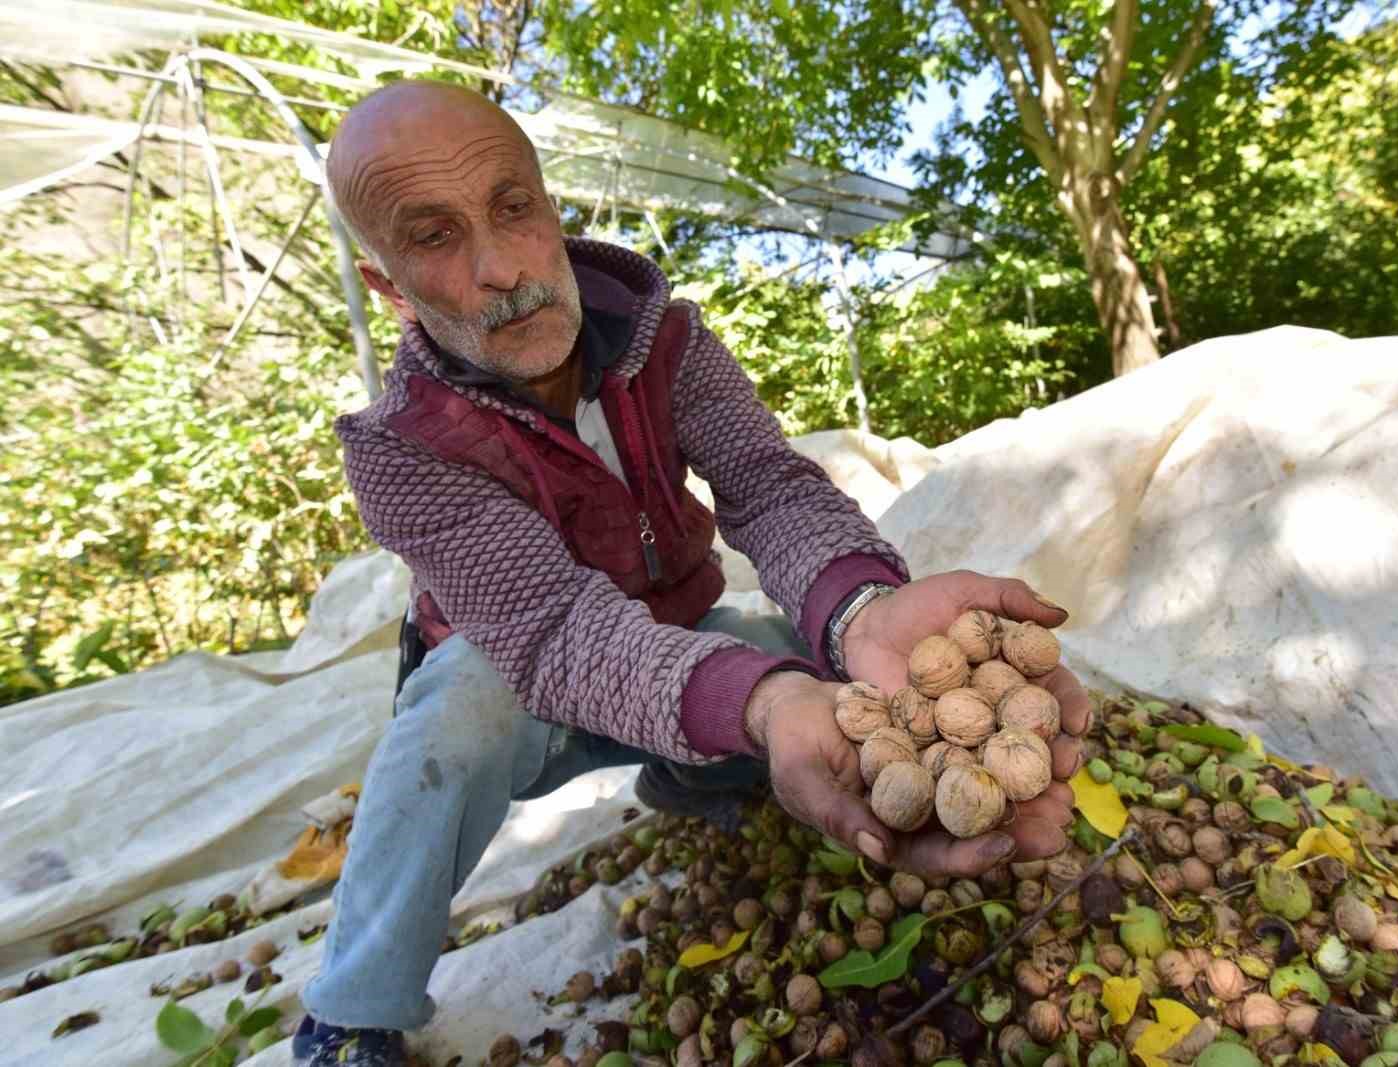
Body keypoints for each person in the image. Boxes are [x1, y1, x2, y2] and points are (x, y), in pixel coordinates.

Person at [293, 79, 1093, 1067]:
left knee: (846, 669)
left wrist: (864, 609)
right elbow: (555, 635)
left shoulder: (664, 341)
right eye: (433, 237)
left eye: (512, 208)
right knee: (449, 722)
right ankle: (353, 1002)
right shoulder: (398, 446)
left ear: (549, 208)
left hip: (676, 639)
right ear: (388, 285)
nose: (502, 267)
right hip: (521, 685)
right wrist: (760, 705)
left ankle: (690, 772)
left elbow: (770, 487)